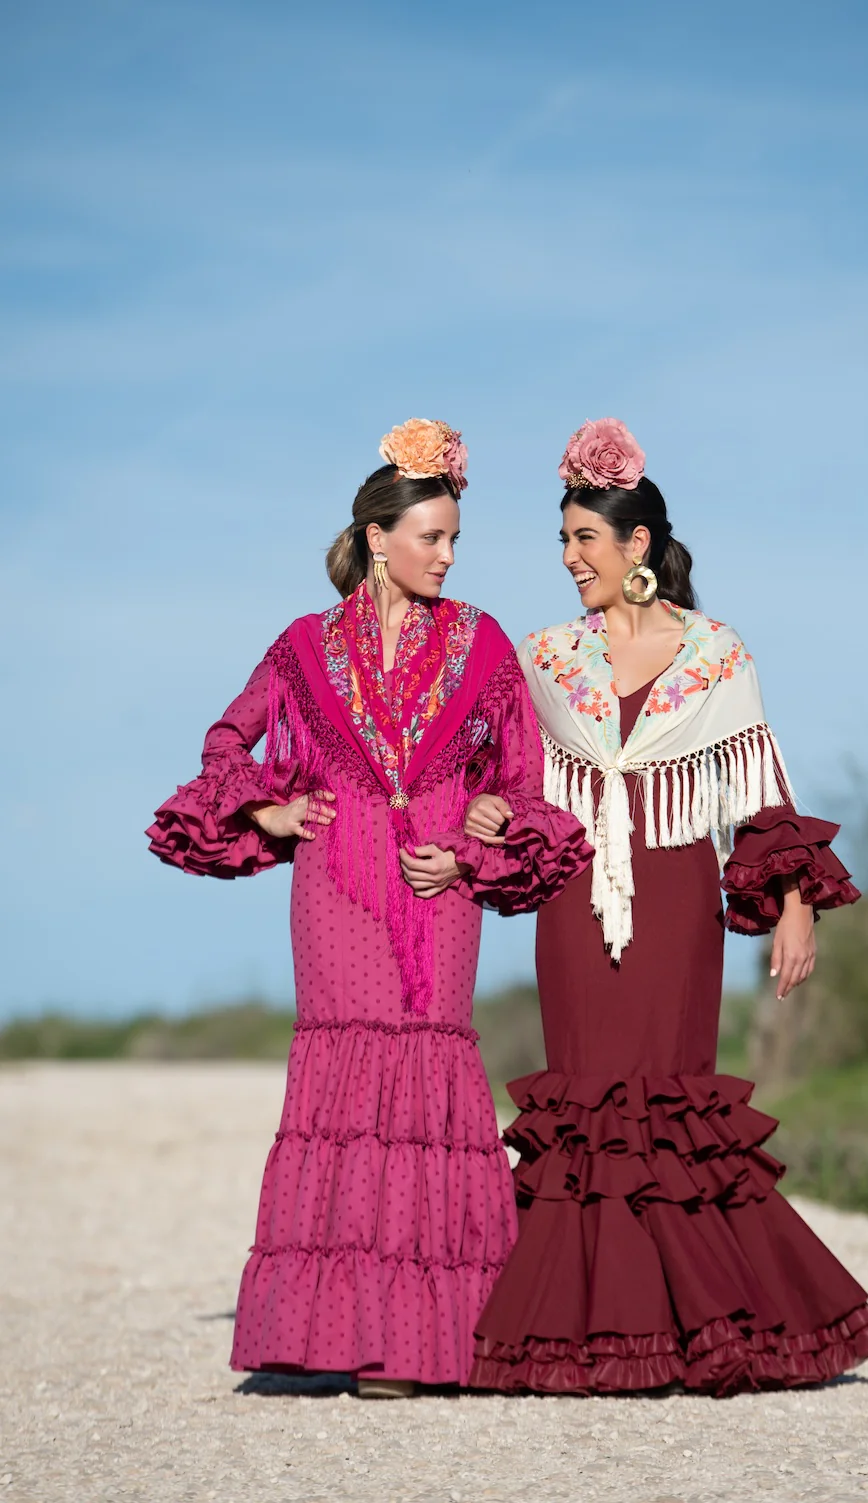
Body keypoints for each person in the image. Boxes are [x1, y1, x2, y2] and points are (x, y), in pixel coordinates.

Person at [147, 419, 591, 1396]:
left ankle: (433, 1343)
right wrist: (270, 804)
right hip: (335, 882)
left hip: (438, 889)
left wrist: (471, 851)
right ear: (378, 536)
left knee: (430, 1075)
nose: (445, 555)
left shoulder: (481, 646)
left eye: (453, 540)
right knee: (345, 1089)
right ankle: (343, 1336)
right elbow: (226, 743)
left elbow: (523, 782)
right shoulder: (303, 647)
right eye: (429, 536)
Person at [459, 418, 868, 1395]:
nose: (569, 559)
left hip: (674, 895)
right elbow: (505, 772)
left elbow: (758, 792)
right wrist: (489, 804)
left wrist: (791, 906)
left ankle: (711, 1327)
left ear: (635, 545)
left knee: (665, 1106)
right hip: (572, 897)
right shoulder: (543, 656)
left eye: (583, 540)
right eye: (563, 542)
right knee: (584, 1107)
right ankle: (584, 1337)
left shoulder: (715, 654)